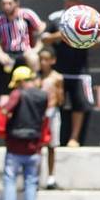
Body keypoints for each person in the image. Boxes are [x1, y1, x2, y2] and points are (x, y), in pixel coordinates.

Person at [0, 0, 44, 108]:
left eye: (9, 3)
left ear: (16, 3)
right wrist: (0, 54)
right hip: (6, 53)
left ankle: (36, 93)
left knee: (33, 57)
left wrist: (36, 48)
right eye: (3, 4)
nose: (6, 6)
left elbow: (42, 29)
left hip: (24, 52)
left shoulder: (27, 15)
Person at [41, 0, 91, 147]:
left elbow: (98, 40)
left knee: (79, 104)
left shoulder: (88, 18)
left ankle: (74, 138)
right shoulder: (55, 17)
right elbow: (44, 38)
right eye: (68, 5)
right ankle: (50, 137)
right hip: (59, 71)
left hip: (79, 70)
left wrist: (80, 34)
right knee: (54, 104)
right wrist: (62, 35)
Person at [0, 66, 47, 200]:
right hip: (34, 146)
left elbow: (5, 110)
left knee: (10, 181)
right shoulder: (42, 96)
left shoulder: (17, 94)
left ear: (20, 81)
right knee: (31, 183)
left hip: (14, 146)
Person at [38, 48, 63, 190]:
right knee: (37, 147)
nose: (43, 63)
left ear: (52, 60)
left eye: (46, 59)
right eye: (41, 59)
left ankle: (51, 177)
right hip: (38, 115)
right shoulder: (36, 78)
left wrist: (53, 101)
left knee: (52, 146)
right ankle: (36, 177)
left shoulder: (57, 77)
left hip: (52, 114)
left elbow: (60, 99)